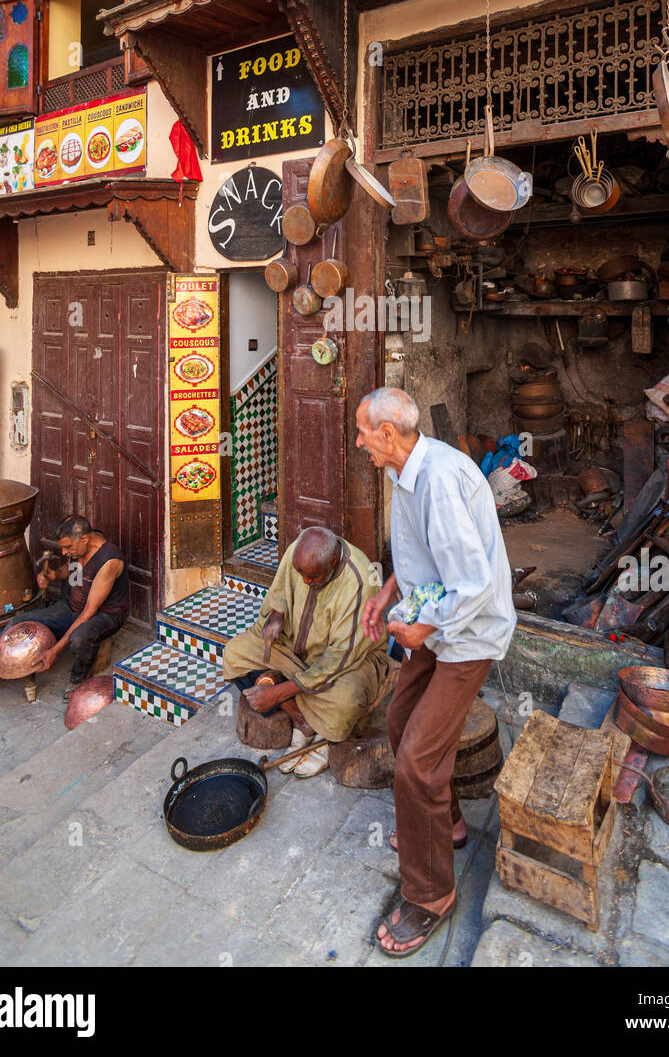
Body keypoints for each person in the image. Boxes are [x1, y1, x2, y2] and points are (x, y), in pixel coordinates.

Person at [357, 387, 514, 958]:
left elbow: (473, 584)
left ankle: (430, 894)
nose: (359, 443)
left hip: (466, 633)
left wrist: (424, 629)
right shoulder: (406, 472)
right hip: (432, 618)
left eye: (363, 433)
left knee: (417, 763)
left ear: (389, 433)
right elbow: (423, 556)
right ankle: (445, 822)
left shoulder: (442, 479)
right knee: (400, 723)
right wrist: (389, 592)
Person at [223, 525, 391, 778]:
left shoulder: (360, 579)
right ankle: (303, 720)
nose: (305, 582)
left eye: (312, 578)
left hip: (350, 663)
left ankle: (309, 718)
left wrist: (278, 692)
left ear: (333, 561)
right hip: (295, 650)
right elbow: (278, 594)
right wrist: (277, 616)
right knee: (234, 653)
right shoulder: (296, 553)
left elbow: (338, 659)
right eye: (302, 575)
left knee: (346, 700)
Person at [0, 514, 129, 712]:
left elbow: (88, 613)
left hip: (104, 615)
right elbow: (70, 569)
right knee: (17, 622)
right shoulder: (79, 546)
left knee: (79, 637)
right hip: (71, 607)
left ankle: (77, 679)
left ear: (84, 539)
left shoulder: (110, 561)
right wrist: (54, 575)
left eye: (68, 547)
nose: (65, 552)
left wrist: (53, 652)